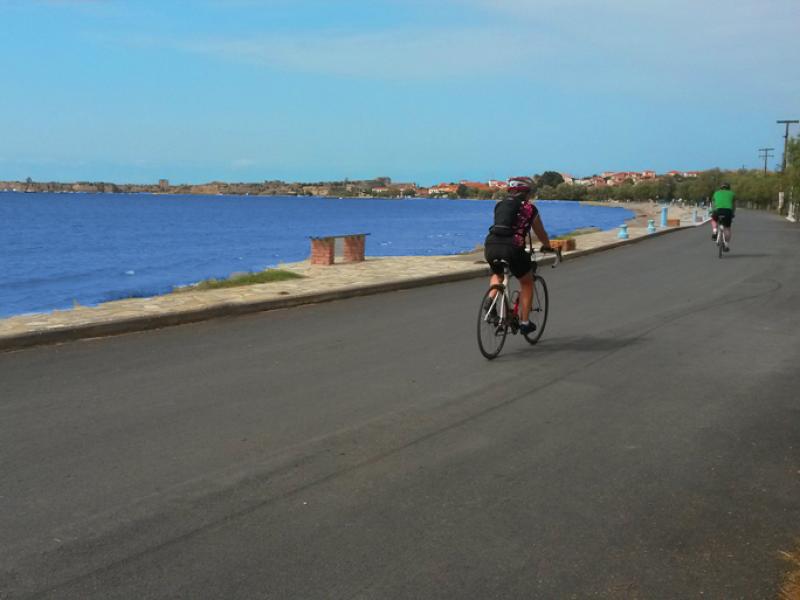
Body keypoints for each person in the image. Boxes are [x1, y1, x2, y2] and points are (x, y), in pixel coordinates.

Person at [483, 176, 553, 335]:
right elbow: (540, 232)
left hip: (491, 245)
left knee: (497, 274)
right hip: (512, 248)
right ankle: (525, 322)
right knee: (527, 282)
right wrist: (547, 246)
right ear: (527, 193)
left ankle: (491, 301)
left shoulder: (499, 205)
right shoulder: (529, 208)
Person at [710, 183, 735, 251]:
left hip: (717, 211)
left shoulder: (716, 193)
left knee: (713, 220)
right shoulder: (732, 194)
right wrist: (732, 214)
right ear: (728, 188)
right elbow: (733, 205)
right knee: (727, 228)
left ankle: (715, 231)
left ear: (721, 188)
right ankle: (726, 244)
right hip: (727, 212)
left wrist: (712, 211)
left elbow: (713, 204)